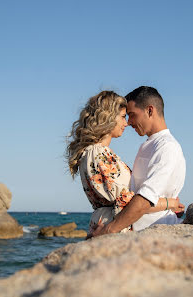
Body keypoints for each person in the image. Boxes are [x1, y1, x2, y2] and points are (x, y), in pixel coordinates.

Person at [66, 90, 183, 236]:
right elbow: (129, 201)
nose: (127, 122)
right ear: (108, 118)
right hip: (117, 228)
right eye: (123, 116)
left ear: (150, 110)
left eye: (131, 115)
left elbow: (140, 199)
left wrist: (169, 206)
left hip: (132, 229)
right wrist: (169, 203)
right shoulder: (98, 153)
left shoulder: (165, 146)